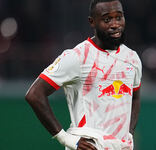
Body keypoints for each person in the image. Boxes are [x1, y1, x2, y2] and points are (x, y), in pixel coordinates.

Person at [25, 0, 142, 149]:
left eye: (119, 17)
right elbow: (34, 94)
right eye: (107, 19)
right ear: (92, 22)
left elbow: (135, 96)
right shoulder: (78, 57)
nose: (115, 24)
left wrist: (129, 132)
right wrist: (66, 139)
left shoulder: (132, 58)